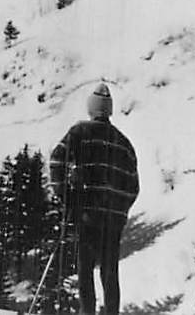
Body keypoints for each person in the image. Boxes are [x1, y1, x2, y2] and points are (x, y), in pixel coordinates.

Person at [49, 82, 139, 315]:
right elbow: (133, 186)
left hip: (87, 214)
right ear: (109, 110)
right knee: (110, 272)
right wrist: (119, 210)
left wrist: (66, 198)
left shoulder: (80, 132)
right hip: (113, 220)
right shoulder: (124, 143)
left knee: (85, 269)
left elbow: (56, 161)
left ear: (91, 108)